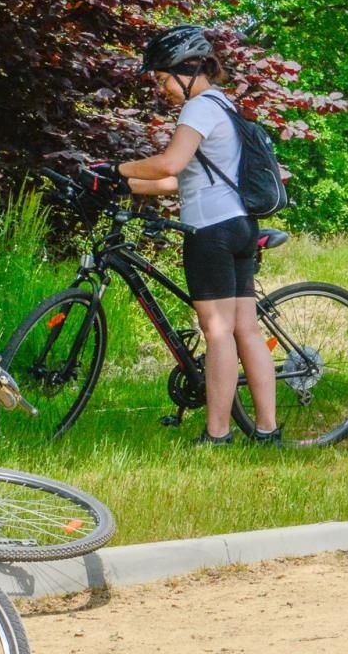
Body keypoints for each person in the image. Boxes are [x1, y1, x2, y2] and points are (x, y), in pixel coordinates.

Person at [80, 24, 281, 445]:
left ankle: (218, 434)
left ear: (186, 71)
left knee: (219, 331)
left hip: (211, 232)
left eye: (162, 79)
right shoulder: (224, 106)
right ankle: (267, 430)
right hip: (241, 226)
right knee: (244, 329)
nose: (162, 90)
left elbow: (169, 164)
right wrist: (120, 185)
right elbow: (181, 182)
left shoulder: (198, 107)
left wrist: (115, 167)